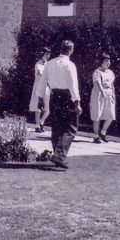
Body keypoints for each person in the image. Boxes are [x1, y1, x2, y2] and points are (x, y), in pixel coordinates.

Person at [36, 40, 81, 169]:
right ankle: (59, 156)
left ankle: (57, 154)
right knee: (71, 127)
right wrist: (77, 102)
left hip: (54, 95)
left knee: (57, 126)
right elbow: (73, 85)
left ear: (60, 49)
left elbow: (42, 82)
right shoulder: (70, 65)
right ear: (71, 50)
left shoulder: (50, 64)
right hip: (67, 97)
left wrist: (40, 99)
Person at [89, 53, 116, 143]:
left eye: (109, 61)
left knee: (111, 115)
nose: (108, 63)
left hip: (109, 94)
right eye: (106, 61)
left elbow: (112, 85)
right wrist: (103, 92)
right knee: (97, 115)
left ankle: (103, 133)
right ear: (102, 62)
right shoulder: (97, 72)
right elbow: (98, 83)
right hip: (98, 95)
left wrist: (113, 95)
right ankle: (96, 136)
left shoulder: (110, 72)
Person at [29, 47, 52, 132]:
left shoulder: (49, 65)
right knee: (37, 107)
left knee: (47, 109)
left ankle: (41, 122)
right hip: (38, 88)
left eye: (49, 54)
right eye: (46, 54)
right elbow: (42, 75)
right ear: (42, 54)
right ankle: (37, 126)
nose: (48, 56)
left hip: (47, 88)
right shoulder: (38, 64)